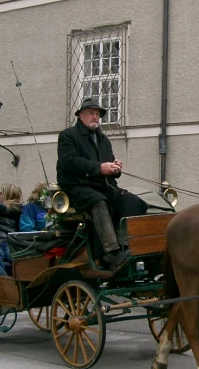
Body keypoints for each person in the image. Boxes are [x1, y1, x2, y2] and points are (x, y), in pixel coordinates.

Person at [56, 97, 148, 270]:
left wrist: (115, 167)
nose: (95, 117)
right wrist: (99, 168)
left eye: (98, 114)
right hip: (77, 187)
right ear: (81, 115)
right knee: (99, 201)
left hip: (103, 186)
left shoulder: (103, 139)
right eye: (91, 113)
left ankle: (126, 245)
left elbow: (108, 164)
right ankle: (110, 252)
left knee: (134, 202)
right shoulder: (68, 136)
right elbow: (69, 162)